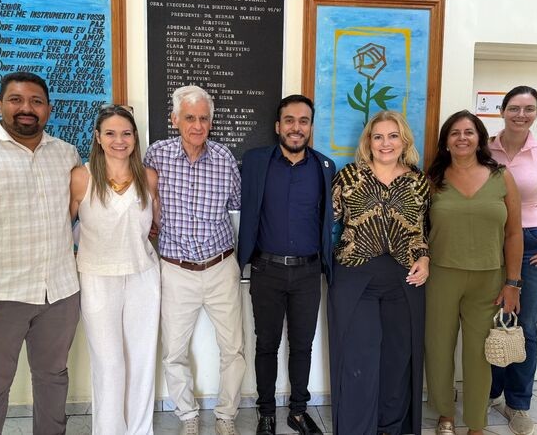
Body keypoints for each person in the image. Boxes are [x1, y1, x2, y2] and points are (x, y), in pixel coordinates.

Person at [0, 72, 81, 434]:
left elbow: (79, 216)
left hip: (59, 293)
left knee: (53, 378)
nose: (26, 108)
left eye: (36, 101)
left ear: (48, 109)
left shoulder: (66, 154)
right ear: (0, 104)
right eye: (16, 99)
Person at [143, 85, 245, 435]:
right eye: (190, 118)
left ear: (211, 122)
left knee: (233, 348)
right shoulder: (156, 155)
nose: (197, 125)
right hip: (176, 271)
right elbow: (144, 201)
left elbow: (237, 208)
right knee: (173, 351)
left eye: (203, 118)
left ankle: (226, 415)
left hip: (220, 267)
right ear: (175, 119)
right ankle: (187, 415)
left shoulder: (224, 158)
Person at [238, 94, 336, 435]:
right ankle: (266, 413)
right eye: (290, 121)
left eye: (303, 121)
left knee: (302, 346)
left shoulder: (325, 167)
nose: (297, 127)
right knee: (266, 345)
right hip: (266, 270)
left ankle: (298, 412)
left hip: (308, 272)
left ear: (310, 127)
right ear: (278, 126)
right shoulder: (255, 162)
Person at [330, 110, 430, 435]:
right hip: (355, 277)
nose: (385, 143)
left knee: (397, 359)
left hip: (405, 279)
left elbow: (423, 231)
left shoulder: (419, 182)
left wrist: (425, 259)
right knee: (359, 358)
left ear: (404, 141)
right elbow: (324, 223)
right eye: (378, 137)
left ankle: (390, 428)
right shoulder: (348, 177)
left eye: (393, 136)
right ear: (368, 142)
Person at [425, 110, 522, 435]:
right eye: (454, 133)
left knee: (480, 354)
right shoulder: (432, 179)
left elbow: (514, 233)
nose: (462, 138)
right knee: (438, 349)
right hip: (441, 277)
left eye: (469, 132)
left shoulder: (501, 177)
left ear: (480, 138)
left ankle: (477, 423)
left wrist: (512, 283)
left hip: (488, 279)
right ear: (446, 142)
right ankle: (445, 414)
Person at [69, 105, 161, 434]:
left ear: (135, 138)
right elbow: (63, 230)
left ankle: (139, 430)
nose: (119, 140)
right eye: (110, 133)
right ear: (97, 137)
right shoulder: (81, 177)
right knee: (109, 364)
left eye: (126, 133)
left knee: (140, 360)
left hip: (143, 277)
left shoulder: (148, 178)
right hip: (97, 278)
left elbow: (156, 227)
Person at [488, 86, 537, 435]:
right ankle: (491, 392)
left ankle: (518, 404)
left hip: (532, 244)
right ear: (502, 110)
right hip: (490, 241)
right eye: (514, 108)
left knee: (525, 324)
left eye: (529, 109)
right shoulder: (485, 149)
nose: (521, 115)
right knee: (491, 320)